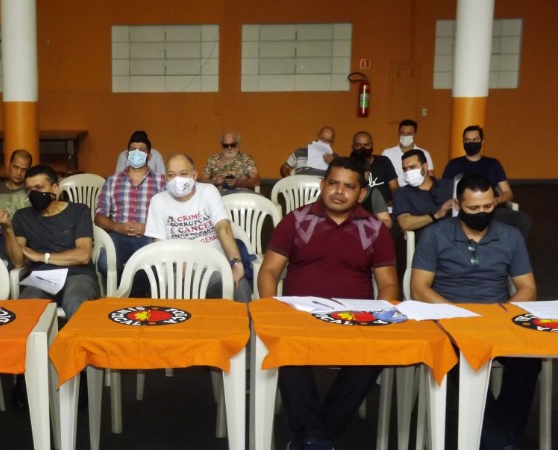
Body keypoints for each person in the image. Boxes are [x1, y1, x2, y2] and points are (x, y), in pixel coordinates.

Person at [257, 157, 398, 450]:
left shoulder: (375, 228)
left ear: (362, 193)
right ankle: (319, 438)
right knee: (283, 346)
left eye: (349, 186)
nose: (339, 191)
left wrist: (377, 318)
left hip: (354, 320)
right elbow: (269, 271)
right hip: (299, 318)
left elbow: (388, 284)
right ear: (322, 185)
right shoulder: (296, 220)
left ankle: (312, 437)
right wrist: (273, 312)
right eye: (333, 183)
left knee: (377, 351)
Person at [411, 174, 539, 450]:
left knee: (529, 362)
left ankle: (499, 439)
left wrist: (501, 315)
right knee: (460, 359)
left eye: (488, 206)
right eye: (473, 208)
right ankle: (501, 443)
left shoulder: (511, 236)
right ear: (458, 205)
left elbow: (527, 288)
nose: (482, 213)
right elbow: (419, 289)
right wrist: (458, 316)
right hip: (449, 321)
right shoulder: (435, 235)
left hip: (498, 319)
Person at [0, 164, 99, 319]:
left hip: (78, 275)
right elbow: (18, 261)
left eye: (39, 187)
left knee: (75, 299)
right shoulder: (22, 216)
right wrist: (8, 229)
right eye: (29, 189)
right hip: (41, 277)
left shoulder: (78, 211)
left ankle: (78, 337)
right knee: (28, 301)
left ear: (55, 188)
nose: (33, 193)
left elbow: (83, 255)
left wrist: (42, 256)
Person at [145, 153, 252, 303]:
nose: (177, 180)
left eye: (183, 174)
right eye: (171, 175)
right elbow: (159, 246)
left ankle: (246, 319)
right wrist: (179, 265)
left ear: (194, 175)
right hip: (180, 272)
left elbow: (223, 228)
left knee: (240, 287)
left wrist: (236, 264)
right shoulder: (158, 201)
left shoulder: (208, 191)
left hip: (216, 268)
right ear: (165, 178)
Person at [96, 134, 166, 296]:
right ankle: (131, 296)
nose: (137, 153)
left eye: (141, 150)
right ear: (127, 154)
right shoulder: (112, 181)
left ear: (149, 156)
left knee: (153, 267)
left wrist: (148, 228)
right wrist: (117, 227)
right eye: (133, 150)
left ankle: (129, 297)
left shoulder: (162, 182)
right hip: (118, 236)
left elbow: (170, 215)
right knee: (104, 262)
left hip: (149, 237)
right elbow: (99, 216)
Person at [442, 125, 531, 238]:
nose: (471, 143)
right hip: (463, 211)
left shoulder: (493, 164)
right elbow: (444, 192)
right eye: (467, 140)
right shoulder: (454, 165)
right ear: (463, 142)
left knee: (523, 220)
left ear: (482, 141)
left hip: (489, 210)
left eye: (475, 140)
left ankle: (509, 248)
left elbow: (508, 193)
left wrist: (496, 200)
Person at [0, 149, 32, 265]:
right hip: (1, 239)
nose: (19, 173)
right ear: (9, 165)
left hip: (26, 239)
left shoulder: (31, 190)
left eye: (23, 170)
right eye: (16, 167)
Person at [393, 149, 453, 232]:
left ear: (425, 167)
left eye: (412, 167)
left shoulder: (450, 186)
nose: (408, 172)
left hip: (455, 235)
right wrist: (436, 215)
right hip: (427, 237)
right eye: (405, 169)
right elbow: (404, 223)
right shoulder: (402, 193)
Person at [381, 119, 435, 187]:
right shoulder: (387, 153)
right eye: (402, 133)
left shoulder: (424, 153)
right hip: (395, 191)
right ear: (398, 134)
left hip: (418, 191)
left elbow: (430, 175)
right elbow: (382, 175)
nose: (405, 136)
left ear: (414, 134)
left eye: (409, 133)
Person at [352, 131, 398, 205]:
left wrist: (395, 201)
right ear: (353, 146)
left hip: (386, 206)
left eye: (366, 145)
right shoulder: (349, 164)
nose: (362, 148)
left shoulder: (384, 161)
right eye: (358, 145)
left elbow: (394, 187)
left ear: (372, 145)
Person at [350, 152, 392, 228]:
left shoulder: (373, 193)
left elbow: (387, 221)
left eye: (366, 178)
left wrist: (366, 227)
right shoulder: (341, 191)